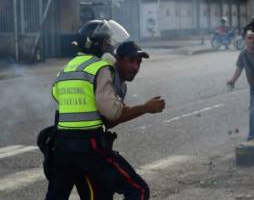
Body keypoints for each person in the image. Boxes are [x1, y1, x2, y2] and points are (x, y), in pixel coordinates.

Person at [45, 18, 166, 199]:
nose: (110, 47)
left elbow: (56, 94)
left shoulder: (66, 68)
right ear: (95, 44)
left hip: (62, 146)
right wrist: (144, 108)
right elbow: (112, 113)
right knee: (138, 190)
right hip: (90, 146)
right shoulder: (100, 68)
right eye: (107, 42)